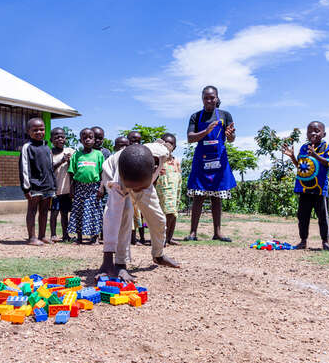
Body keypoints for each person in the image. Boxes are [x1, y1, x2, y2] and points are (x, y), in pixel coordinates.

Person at [98, 142, 180, 282]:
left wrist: (148, 181)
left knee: (159, 219)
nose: (135, 193)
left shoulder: (161, 154)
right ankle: (119, 264)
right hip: (118, 180)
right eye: (133, 188)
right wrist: (107, 261)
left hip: (144, 180)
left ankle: (158, 255)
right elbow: (112, 218)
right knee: (124, 217)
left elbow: (165, 149)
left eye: (138, 189)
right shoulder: (119, 179)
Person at [185, 86, 237, 242]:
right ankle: (193, 232)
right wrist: (206, 131)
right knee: (198, 196)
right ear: (202, 99)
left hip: (219, 159)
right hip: (201, 159)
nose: (209, 100)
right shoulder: (196, 116)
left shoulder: (224, 115)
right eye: (206, 98)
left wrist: (231, 135)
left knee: (217, 197)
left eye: (212, 97)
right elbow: (190, 138)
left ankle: (218, 232)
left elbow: (232, 137)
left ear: (217, 98)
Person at [282, 121, 329, 251]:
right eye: (310, 131)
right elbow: (301, 166)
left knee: (323, 217)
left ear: (324, 134)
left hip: (319, 189)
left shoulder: (326, 147)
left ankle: (325, 242)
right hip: (304, 188)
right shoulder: (304, 148)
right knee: (302, 216)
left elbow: (328, 162)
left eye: (316, 131)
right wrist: (293, 157)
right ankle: (303, 240)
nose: (313, 133)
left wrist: (315, 155)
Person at [19, 118, 55, 246]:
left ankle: (42, 236)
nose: (39, 132)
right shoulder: (27, 147)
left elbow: (50, 167)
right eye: (35, 130)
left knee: (44, 211)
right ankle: (32, 237)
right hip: (34, 186)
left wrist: (53, 185)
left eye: (42, 129)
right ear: (29, 132)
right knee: (32, 211)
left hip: (47, 186)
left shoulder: (47, 147)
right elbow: (24, 167)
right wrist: (26, 188)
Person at [68, 128, 105, 244]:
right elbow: (71, 173)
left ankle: (95, 237)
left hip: (94, 187)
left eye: (90, 137)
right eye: (85, 138)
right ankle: (79, 238)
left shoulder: (98, 155)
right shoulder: (76, 155)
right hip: (79, 187)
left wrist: (101, 188)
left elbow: (102, 173)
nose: (88, 140)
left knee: (94, 211)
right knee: (78, 211)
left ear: (94, 140)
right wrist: (71, 187)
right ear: (81, 140)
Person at [155, 133, 183, 246]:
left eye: (171, 144)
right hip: (163, 190)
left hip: (175, 190)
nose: (167, 145)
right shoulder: (158, 160)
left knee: (173, 213)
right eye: (165, 142)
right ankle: (162, 238)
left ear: (175, 147)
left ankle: (170, 237)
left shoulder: (176, 161)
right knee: (166, 213)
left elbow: (178, 176)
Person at [49, 127, 75, 243]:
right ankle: (53, 235)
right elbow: (49, 169)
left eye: (62, 137)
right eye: (56, 137)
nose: (60, 139)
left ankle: (65, 235)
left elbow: (74, 169)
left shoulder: (70, 151)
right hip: (54, 189)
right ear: (51, 140)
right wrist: (62, 161)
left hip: (66, 189)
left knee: (65, 213)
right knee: (54, 212)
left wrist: (70, 162)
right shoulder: (49, 153)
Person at [126, 131, 146, 245]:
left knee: (140, 215)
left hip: (140, 189)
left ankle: (142, 238)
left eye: (138, 140)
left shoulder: (142, 154)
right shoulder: (124, 155)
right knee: (130, 215)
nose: (136, 143)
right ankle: (132, 239)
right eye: (133, 140)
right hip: (128, 190)